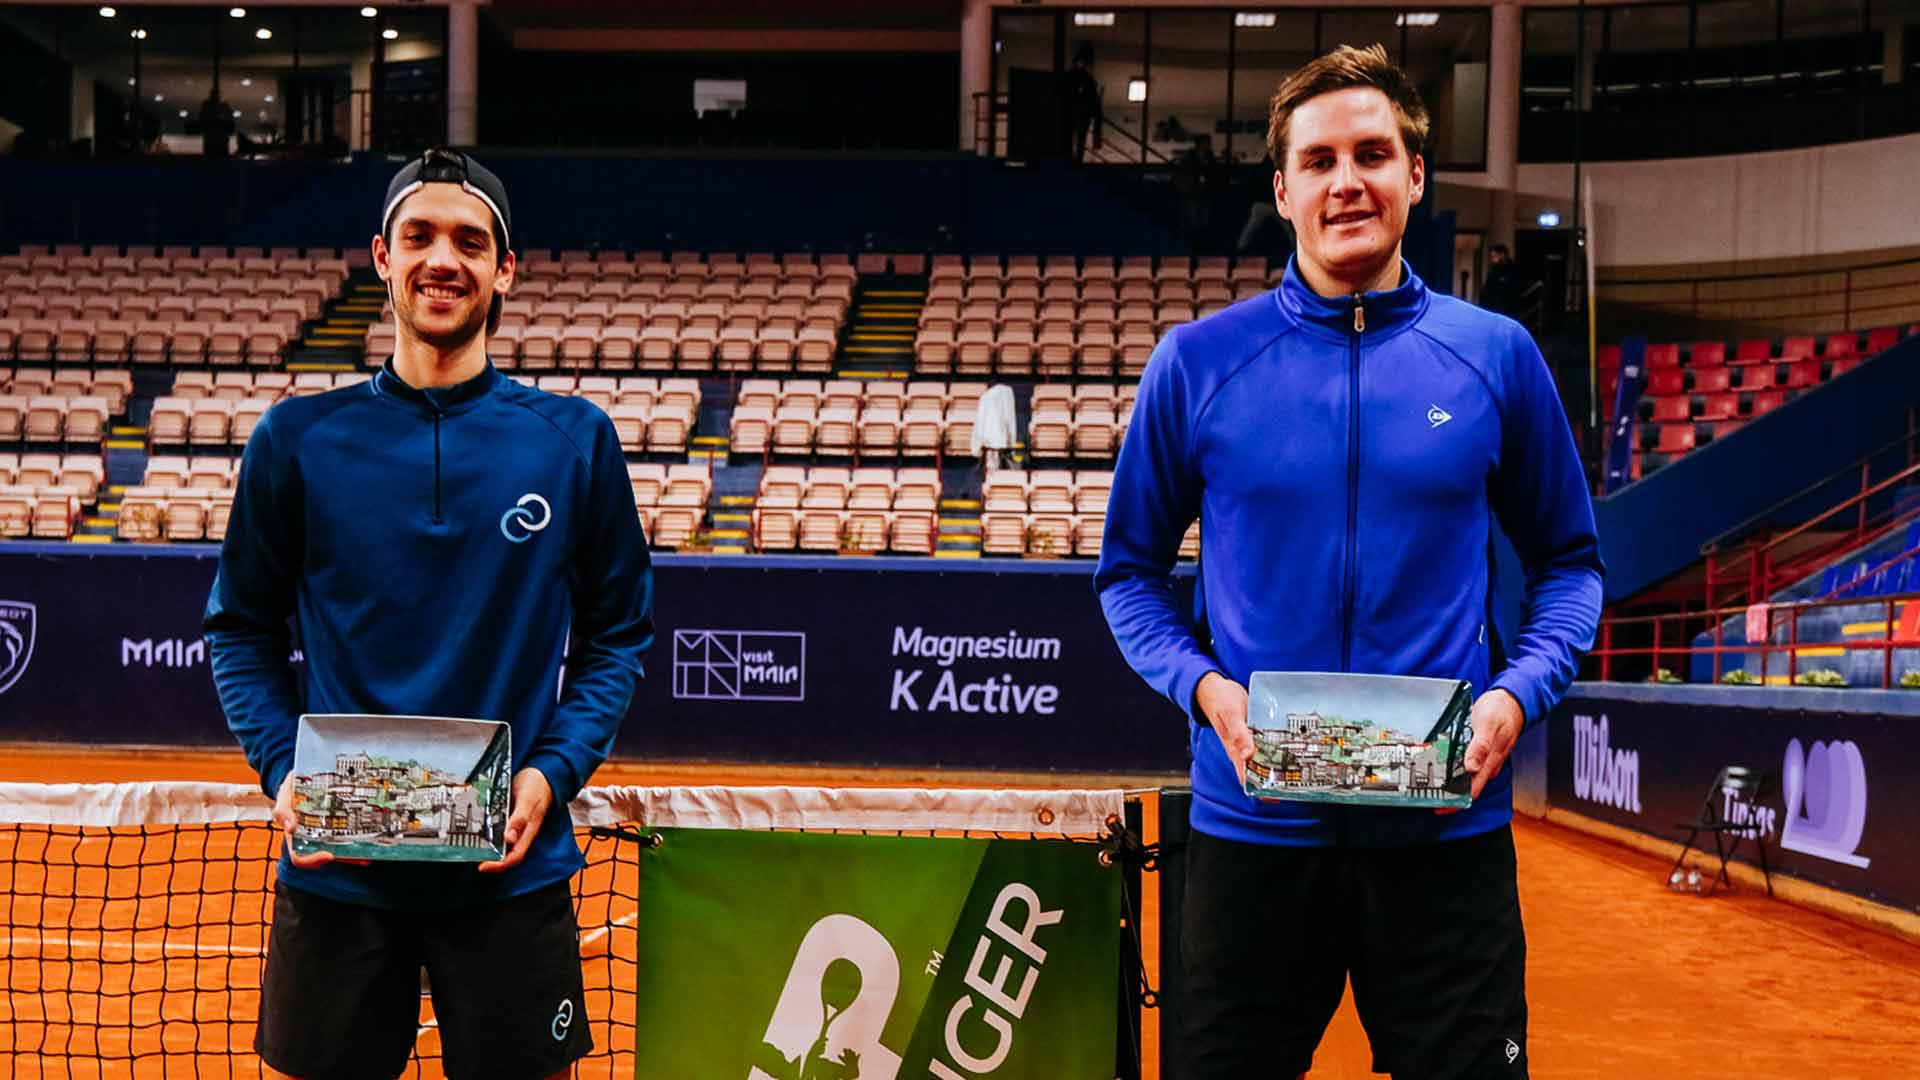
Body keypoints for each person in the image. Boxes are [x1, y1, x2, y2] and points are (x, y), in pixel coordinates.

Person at [1094, 45, 1602, 1080]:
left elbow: (1571, 565)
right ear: (1282, 191)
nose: (1348, 182)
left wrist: (1512, 699)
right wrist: (1209, 695)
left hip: (1446, 847)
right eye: (1320, 161)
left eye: (1374, 153)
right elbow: (1128, 575)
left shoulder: (1497, 356)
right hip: (1249, 839)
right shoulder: (1196, 363)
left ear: (1416, 174)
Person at [205, 147, 655, 1080]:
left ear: (505, 269)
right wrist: (283, 772)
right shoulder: (296, 439)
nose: (441, 259)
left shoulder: (574, 441)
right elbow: (241, 629)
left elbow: (617, 637)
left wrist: (551, 776)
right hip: (339, 874)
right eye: (419, 236)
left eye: (469, 240)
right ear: (381, 256)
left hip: (510, 871)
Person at [1063, 42, 1101, 163]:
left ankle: (1072, 158)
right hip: (1081, 113)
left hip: (1075, 112)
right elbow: (1093, 99)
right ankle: (1076, 159)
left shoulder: (1072, 76)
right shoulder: (1087, 79)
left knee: (1072, 137)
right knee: (1079, 138)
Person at [1480, 243, 1521, 315]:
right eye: (1491, 257)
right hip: (1493, 308)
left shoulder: (1513, 270)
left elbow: (1512, 291)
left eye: (1494, 256)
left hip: (1506, 309)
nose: (1492, 260)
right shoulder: (1493, 270)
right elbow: (1487, 289)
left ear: (1502, 255)